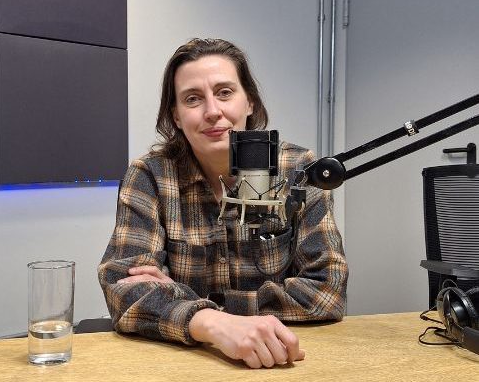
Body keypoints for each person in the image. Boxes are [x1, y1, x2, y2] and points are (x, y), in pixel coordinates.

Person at [98, 38, 348, 369]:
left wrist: (196, 304)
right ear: (176, 116)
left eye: (225, 92)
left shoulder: (299, 170)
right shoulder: (150, 175)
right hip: (184, 364)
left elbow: (327, 292)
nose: (213, 111)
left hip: (281, 358)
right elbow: (122, 289)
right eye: (192, 99)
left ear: (250, 102)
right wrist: (214, 324)